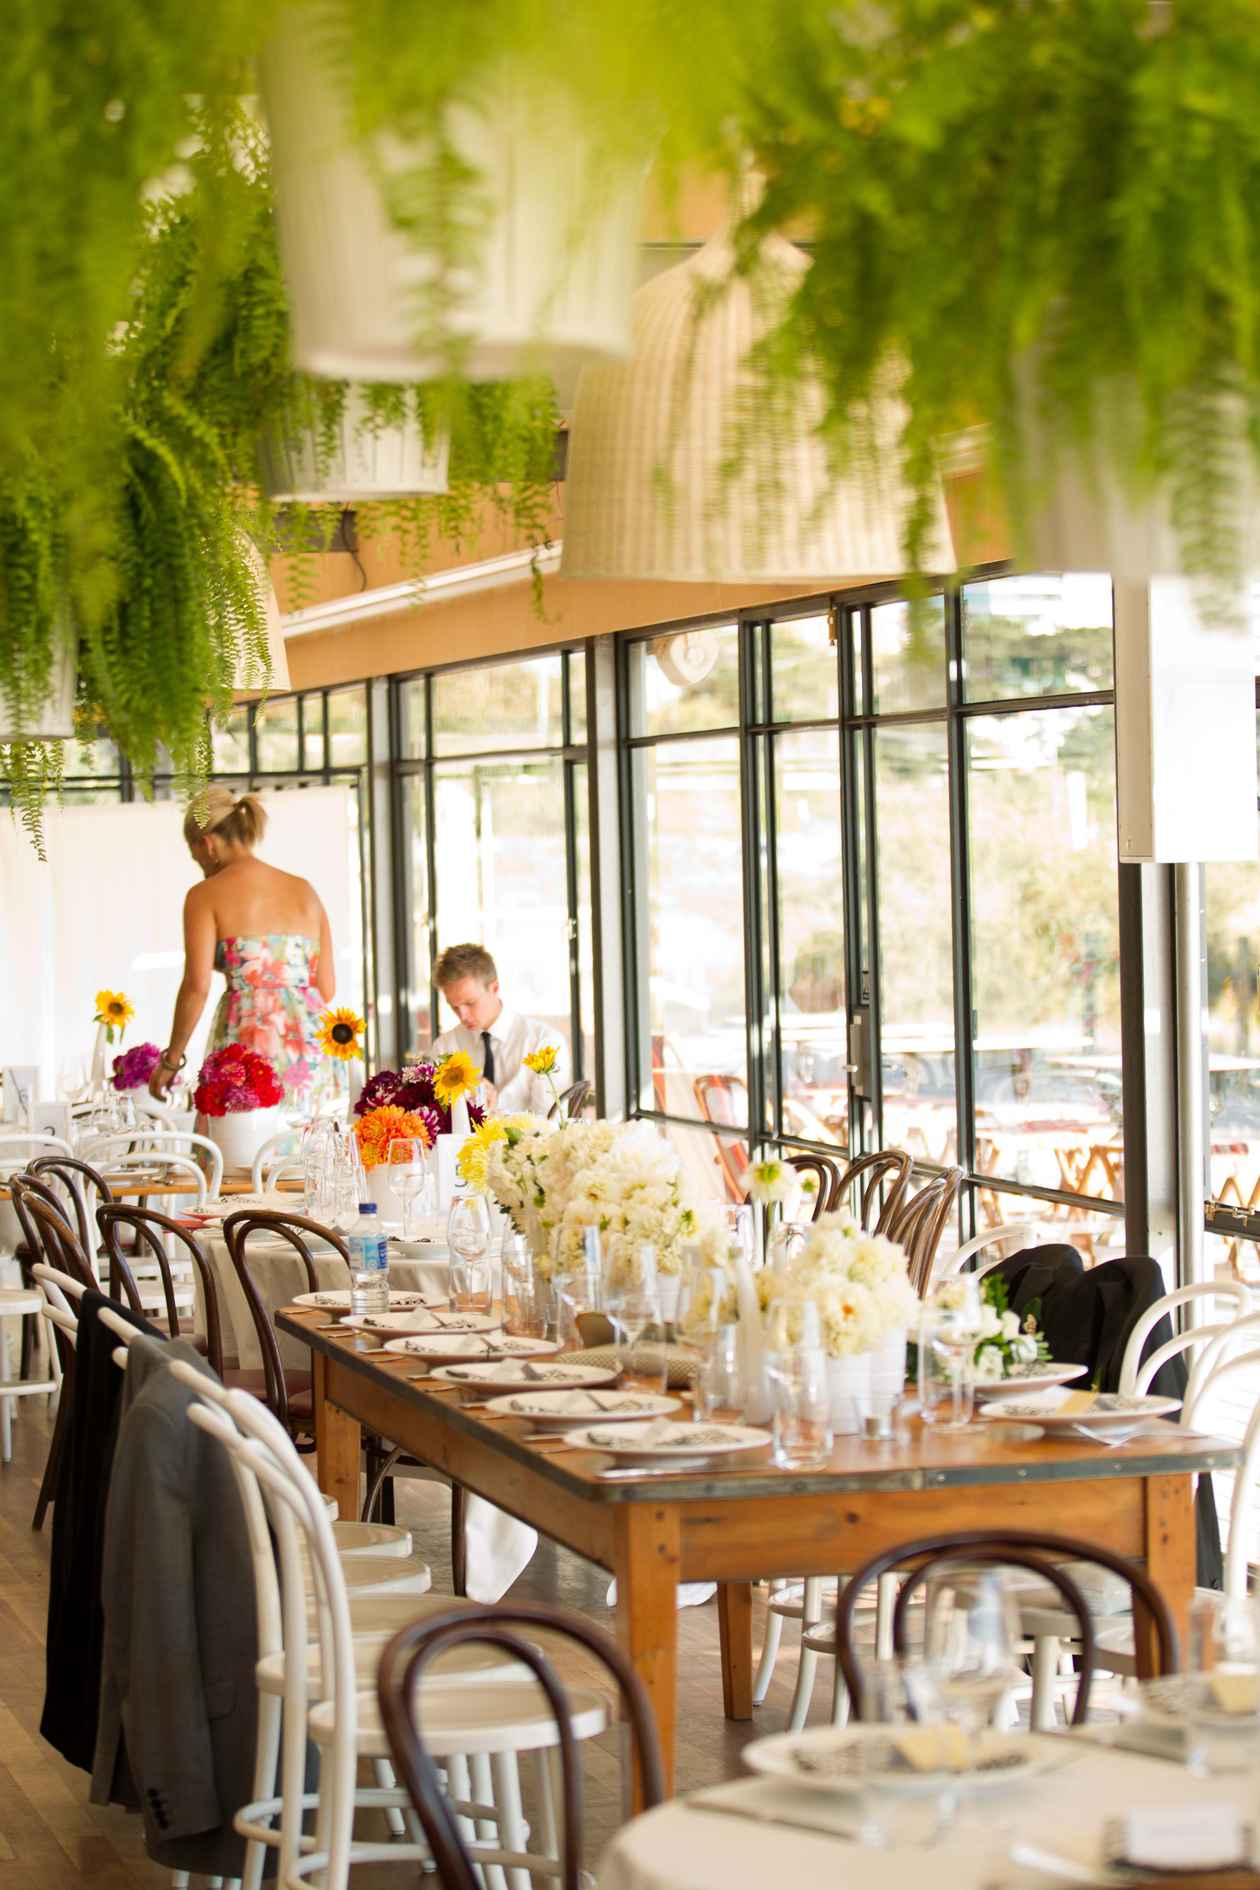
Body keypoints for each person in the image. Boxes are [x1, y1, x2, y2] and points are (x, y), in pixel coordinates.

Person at [149, 789, 335, 1102]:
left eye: (198, 860)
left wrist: (171, 1061)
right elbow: (326, 988)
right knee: (308, 1146)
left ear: (207, 844)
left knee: (236, 1147)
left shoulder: (204, 895)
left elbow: (197, 985)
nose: (202, 869)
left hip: (247, 1049)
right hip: (310, 1053)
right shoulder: (305, 891)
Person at [430, 943, 570, 1116]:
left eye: (470, 1003)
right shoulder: (445, 1047)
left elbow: (550, 1122)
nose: (462, 1015)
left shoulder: (544, 1042)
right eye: (454, 1007)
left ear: (494, 988)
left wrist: (496, 1112)